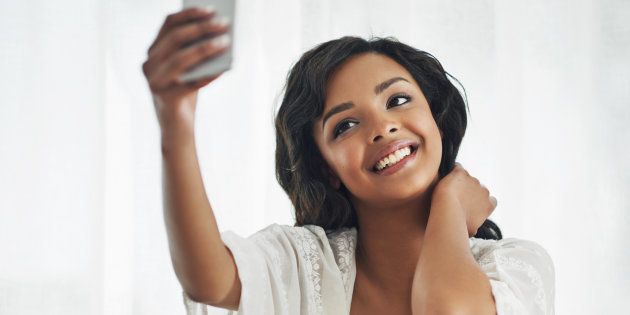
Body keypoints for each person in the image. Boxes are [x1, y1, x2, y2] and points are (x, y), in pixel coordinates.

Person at [142, 7, 555, 315]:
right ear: (326, 169)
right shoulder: (305, 264)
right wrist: (175, 119)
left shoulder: (516, 268)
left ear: (438, 123)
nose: (382, 127)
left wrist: (448, 205)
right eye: (345, 126)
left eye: (397, 100)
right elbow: (206, 279)